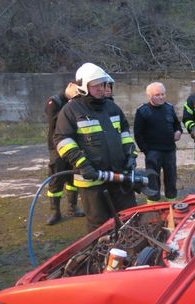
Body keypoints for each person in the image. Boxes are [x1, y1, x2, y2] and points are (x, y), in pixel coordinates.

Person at [54, 62, 137, 232]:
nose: (102, 88)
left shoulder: (112, 107)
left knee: (129, 218)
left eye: (103, 84)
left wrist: (130, 155)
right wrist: (83, 164)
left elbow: (125, 133)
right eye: (96, 85)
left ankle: (129, 254)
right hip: (92, 180)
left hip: (119, 175)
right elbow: (62, 140)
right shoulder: (70, 110)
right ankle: (101, 256)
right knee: (99, 226)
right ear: (84, 86)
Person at [44, 82, 85, 225]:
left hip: (74, 145)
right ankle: (55, 212)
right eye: (77, 90)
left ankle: (72, 207)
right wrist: (72, 105)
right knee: (56, 178)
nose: (78, 93)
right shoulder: (54, 102)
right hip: (57, 147)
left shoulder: (77, 102)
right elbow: (55, 122)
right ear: (70, 85)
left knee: (73, 177)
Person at [134, 82, 182, 202]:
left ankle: (171, 201)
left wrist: (178, 132)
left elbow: (177, 125)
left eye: (163, 94)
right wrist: (146, 151)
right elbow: (138, 134)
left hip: (169, 150)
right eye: (157, 95)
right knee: (152, 180)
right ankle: (153, 204)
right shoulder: (142, 111)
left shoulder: (169, 108)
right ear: (149, 96)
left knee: (171, 178)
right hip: (153, 152)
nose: (161, 97)